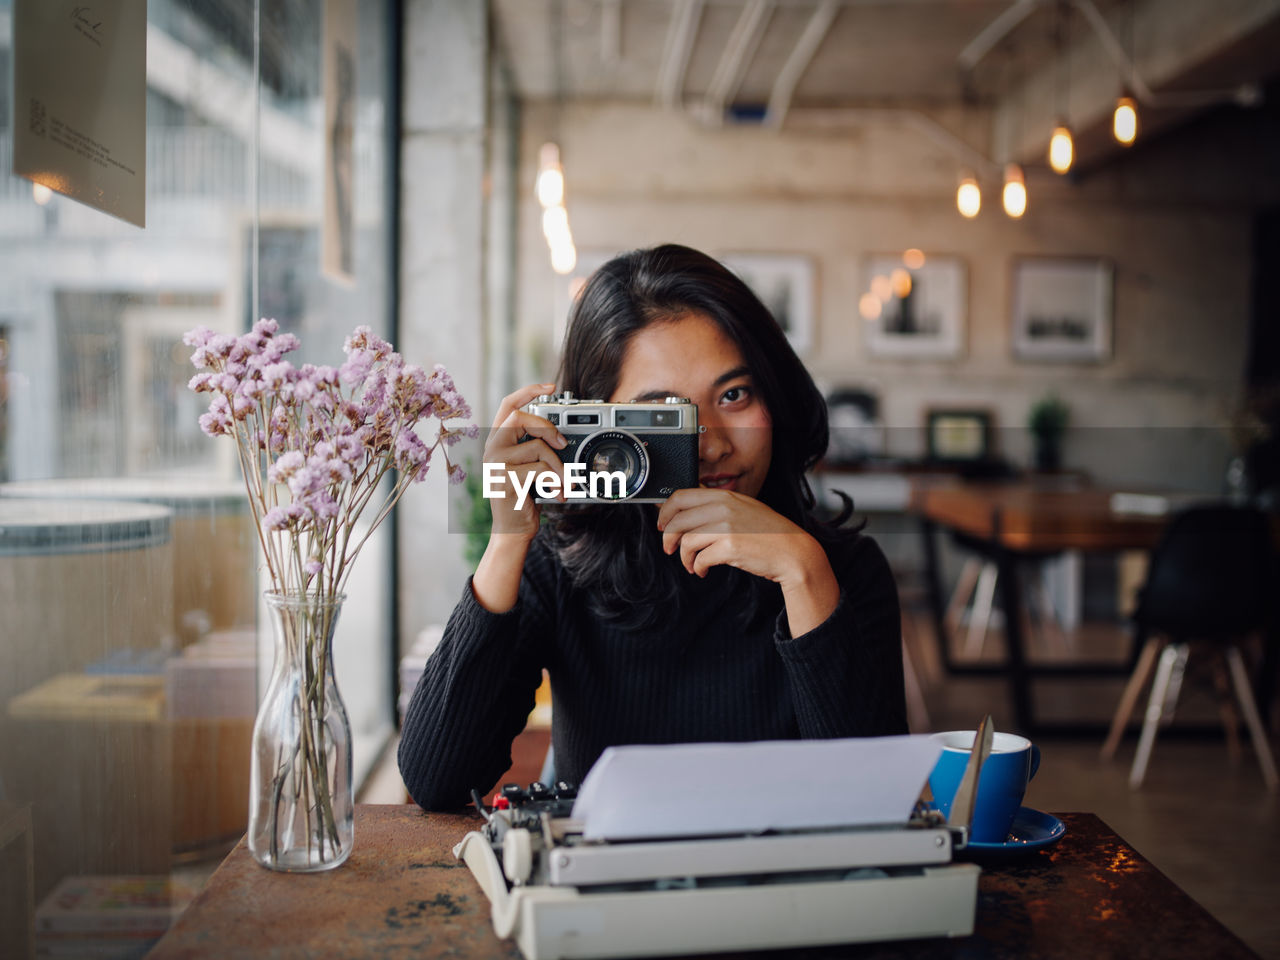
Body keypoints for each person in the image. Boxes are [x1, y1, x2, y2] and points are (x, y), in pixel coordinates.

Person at [399, 244, 907, 810]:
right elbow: (435, 781)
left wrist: (805, 572)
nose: (711, 443)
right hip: (602, 888)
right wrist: (508, 540)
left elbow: (874, 802)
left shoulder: (845, 570)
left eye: (734, 395)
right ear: (599, 425)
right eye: (664, 414)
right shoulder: (561, 563)